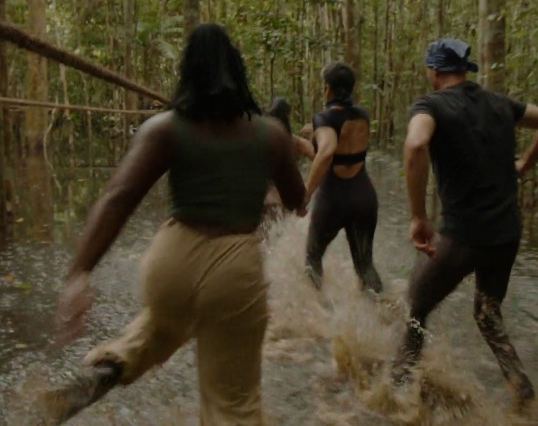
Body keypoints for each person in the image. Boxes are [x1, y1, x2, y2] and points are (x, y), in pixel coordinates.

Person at [43, 23, 306, 425]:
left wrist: (79, 273)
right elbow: (296, 200)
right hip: (234, 268)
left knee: (161, 326)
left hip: (171, 264)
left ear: (187, 73)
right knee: (232, 405)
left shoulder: (163, 129)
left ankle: (109, 368)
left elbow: (117, 198)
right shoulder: (271, 135)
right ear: (238, 71)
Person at [391, 38, 538, 408]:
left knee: (416, 306)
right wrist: (524, 164)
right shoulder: (501, 104)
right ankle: (521, 386)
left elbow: (416, 144)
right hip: (505, 235)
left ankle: (396, 389)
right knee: (487, 314)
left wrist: (418, 217)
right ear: (463, 70)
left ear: (434, 71)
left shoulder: (430, 105)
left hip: (462, 237)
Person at [301, 62, 383, 293]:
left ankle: (317, 310)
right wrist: (314, 128)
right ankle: (383, 310)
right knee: (365, 266)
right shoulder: (363, 115)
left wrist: (305, 194)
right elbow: (342, 128)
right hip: (364, 198)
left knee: (312, 259)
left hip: (333, 199)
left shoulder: (323, 119)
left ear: (327, 89)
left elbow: (327, 150)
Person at [263, 97, 315, 223]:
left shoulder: (262, 139)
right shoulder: (293, 141)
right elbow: (317, 156)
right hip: (286, 197)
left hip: (265, 197)